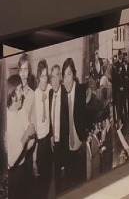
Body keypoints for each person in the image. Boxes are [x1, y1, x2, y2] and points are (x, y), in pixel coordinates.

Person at [51, 58, 90, 193]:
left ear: (74, 75)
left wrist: (87, 137)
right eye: (64, 75)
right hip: (67, 149)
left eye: (69, 74)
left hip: (81, 145)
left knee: (82, 184)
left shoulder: (82, 91)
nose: (66, 79)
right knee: (69, 184)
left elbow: (90, 113)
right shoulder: (62, 95)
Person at [4, 74, 37, 197]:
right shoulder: (4, 121)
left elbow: (32, 139)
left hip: (24, 168)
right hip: (11, 176)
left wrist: (21, 147)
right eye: (20, 90)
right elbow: (11, 160)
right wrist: (26, 135)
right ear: (13, 96)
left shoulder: (22, 112)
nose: (23, 94)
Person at [32, 59, 54, 197]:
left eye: (46, 76)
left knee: (49, 177)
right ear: (38, 77)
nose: (44, 80)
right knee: (41, 183)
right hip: (38, 144)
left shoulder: (50, 89)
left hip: (48, 141)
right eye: (42, 76)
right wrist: (34, 158)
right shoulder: (34, 96)